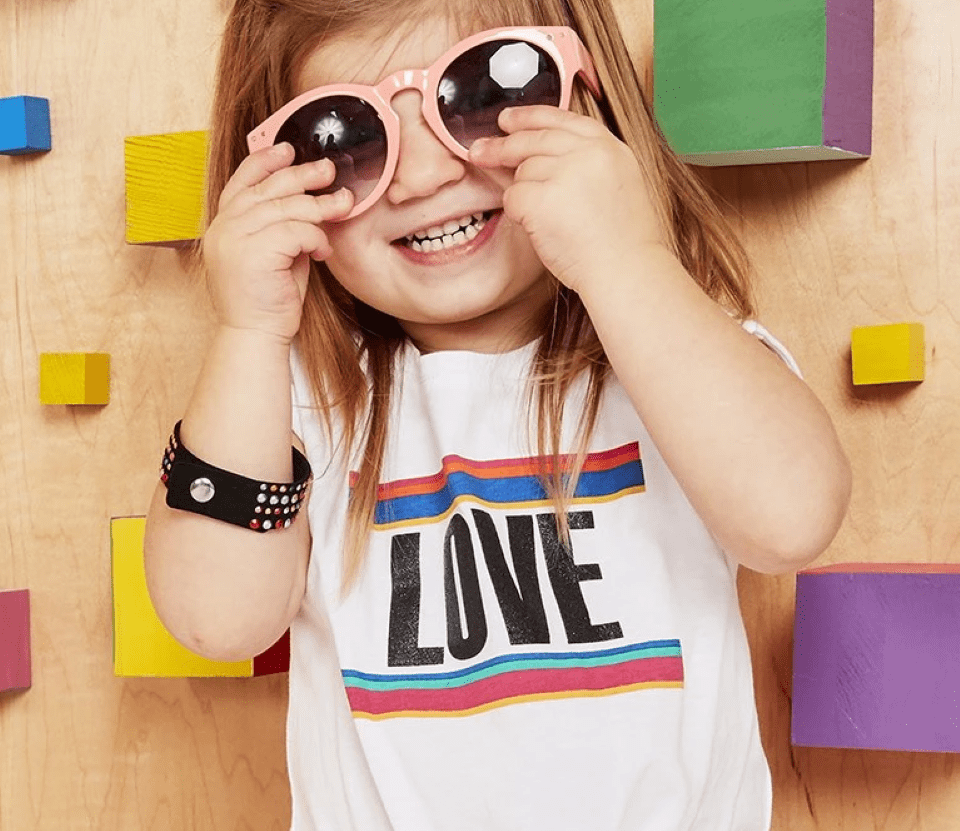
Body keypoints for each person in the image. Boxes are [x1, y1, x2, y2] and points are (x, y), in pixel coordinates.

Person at [143, 0, 852, 828]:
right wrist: (248, 330)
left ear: (590, 100)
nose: (423, 176)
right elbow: (215, 619)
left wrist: (627, 256)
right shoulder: (300, 402)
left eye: (479, 93)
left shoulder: (671, 354)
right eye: (346, 137)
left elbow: (794, 518)